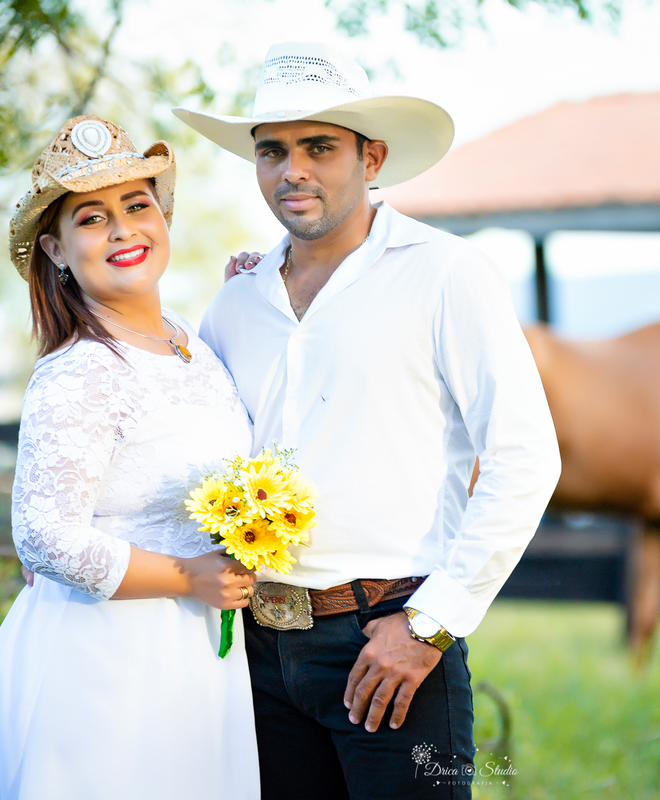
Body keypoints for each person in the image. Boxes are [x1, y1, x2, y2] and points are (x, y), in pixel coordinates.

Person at [174, 42, 561, 798]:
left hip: (389, 641)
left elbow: (525, 456)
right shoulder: (235, 302)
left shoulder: (445, 274)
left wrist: (430, 626)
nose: (294, 171)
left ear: (372, 157)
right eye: (273, 151)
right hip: (254, 652)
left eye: (320, 148)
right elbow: (192, 444)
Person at [0, 116, 260, 800]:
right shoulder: (81, 370)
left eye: (137, 205)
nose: (124, 229)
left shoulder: (194, 341)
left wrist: (254, 288)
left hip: (194, 656)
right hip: (103, 661)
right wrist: (190, 577)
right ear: (57, 250)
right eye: (93, 218)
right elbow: (43, 535)